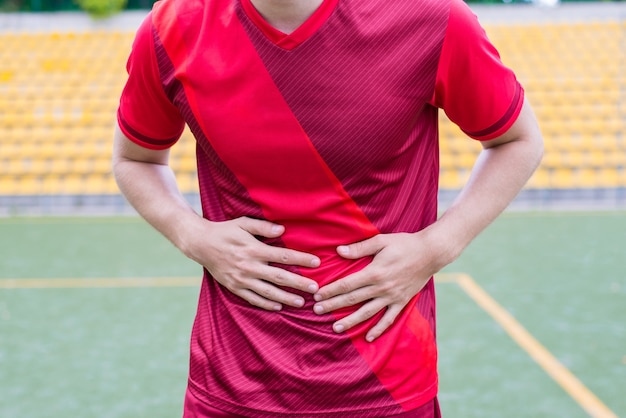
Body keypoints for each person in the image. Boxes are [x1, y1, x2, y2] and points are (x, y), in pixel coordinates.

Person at [112, 0, 543, 416]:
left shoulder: (433, 18)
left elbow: (518, 140)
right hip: (232, 381)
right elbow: (135, 158)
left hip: (385, 382)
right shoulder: (170, 26)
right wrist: (193, 235)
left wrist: (436, 247)